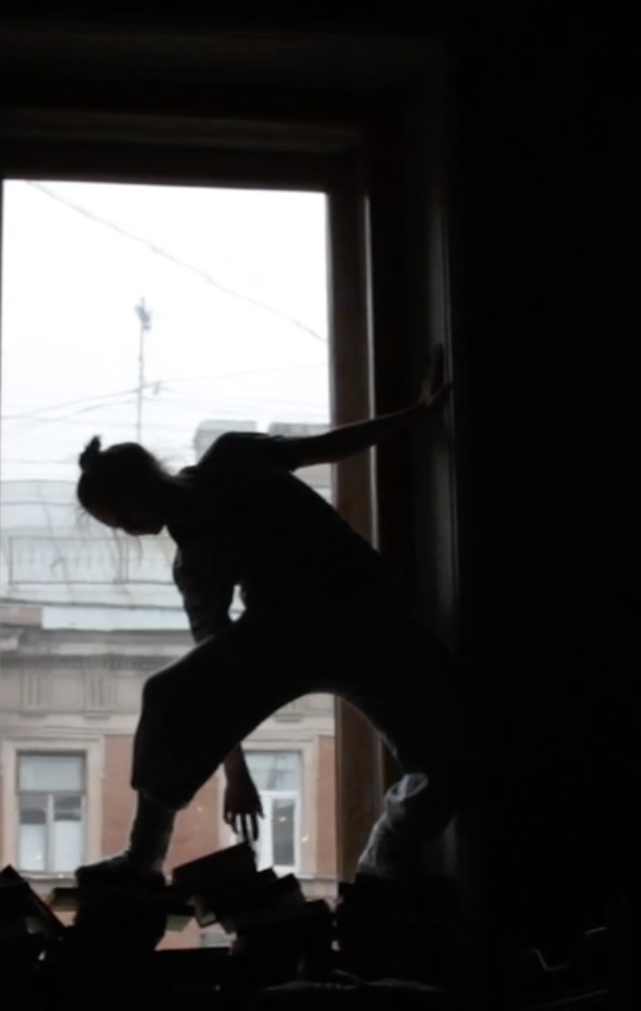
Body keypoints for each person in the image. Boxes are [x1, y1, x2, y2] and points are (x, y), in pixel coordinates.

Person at [72, 344, 466, 883]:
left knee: (454, 744)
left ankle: (384, 859)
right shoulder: (200, 555)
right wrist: (237, 775)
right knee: (168, 695)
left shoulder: (233, 462)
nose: (130, 533)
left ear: (137, 495)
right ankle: (144, 858)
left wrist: (415, 416)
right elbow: (212, 672)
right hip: (305, 627)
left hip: (361, 616)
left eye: (120, 521)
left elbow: (326, 447)